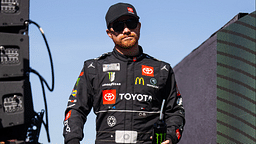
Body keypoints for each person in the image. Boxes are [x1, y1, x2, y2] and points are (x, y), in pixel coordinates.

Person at [63, 2, 185, 144]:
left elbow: (176, 110)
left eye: (131, 23)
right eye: (119, 26)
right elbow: (75, 110)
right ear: (109, 33)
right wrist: (72, 140)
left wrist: (170, 137)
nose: (126, 30)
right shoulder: (93, 68)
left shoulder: (162, 70)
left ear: (139, 26)